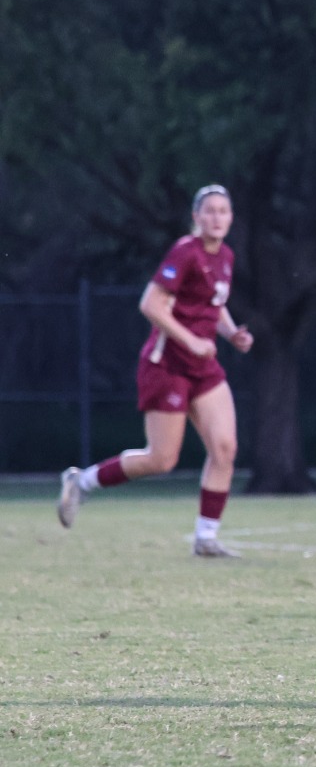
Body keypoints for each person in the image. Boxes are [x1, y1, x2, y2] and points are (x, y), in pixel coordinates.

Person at [57, 185, 254, 557]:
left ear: (230, 217)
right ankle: (81, 481)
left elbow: (214, 302)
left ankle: (206, 538)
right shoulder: (185, 252)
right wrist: (192, 341)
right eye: (209, 211)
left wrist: (231, 333)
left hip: (203, 367)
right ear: (196, 217)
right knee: (162, 459)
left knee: (225, 448)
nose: (217, 217)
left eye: (223, 211)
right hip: (167, 365)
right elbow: (151, 304)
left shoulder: (225, 255)